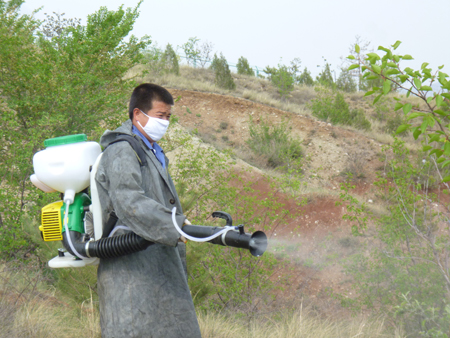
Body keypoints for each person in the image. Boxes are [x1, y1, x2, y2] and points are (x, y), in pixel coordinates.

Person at [95, 83, 202, 338]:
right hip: (131, 269)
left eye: (168, 117)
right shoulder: (122, 150)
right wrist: (174, 225)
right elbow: (128, 201)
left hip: (156, 266)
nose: (165, 122)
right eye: (159, 116)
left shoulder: (152, 151)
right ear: (137, 115)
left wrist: (173, 226)